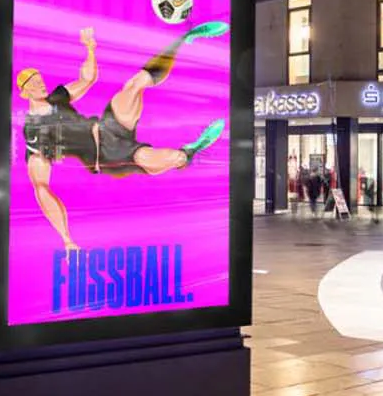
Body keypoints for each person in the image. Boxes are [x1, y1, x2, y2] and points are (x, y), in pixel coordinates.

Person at [19, 21, 228, 251]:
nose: (40, 84)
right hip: (108, 155)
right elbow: (41, 187)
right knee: (169, 158)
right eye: (33, 83)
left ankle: (184, 39)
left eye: (39, 79)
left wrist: (90, 48)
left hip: (108, 126)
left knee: (134, 84)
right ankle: (189, 152)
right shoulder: (35, 133)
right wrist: (67, 239)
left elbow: (87, 79)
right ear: (24, 92)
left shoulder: (57, 98)